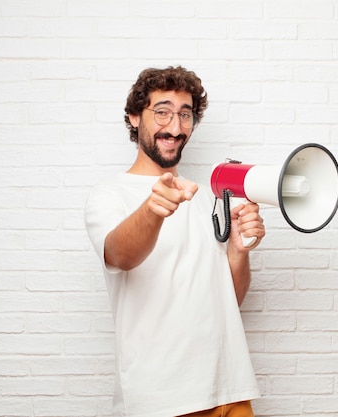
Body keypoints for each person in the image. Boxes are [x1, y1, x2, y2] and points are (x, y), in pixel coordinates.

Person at [84, 66, 265, 417]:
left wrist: (238, 253)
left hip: (230, 389)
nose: (176, 126)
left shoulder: (206, 198)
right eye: (162, 111)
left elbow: (229, 299)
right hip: (164, 399)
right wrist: (153, 210)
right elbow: (120, 254)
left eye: (185, 115)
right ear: (135, 118)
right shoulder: (108, 195)